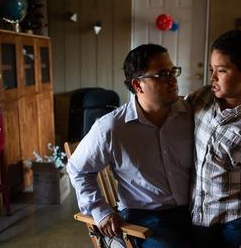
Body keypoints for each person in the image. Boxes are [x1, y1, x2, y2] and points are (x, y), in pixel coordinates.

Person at [67, 44, 193, 248]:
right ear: (137, 85)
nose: (172, 78)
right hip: (146, 218)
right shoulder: (111, 127)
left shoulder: (190, 114)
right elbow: (77, 169)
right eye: (162, 74)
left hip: (194, 212)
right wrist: (100, 209)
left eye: (173, 71)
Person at [187, 30, 241, 248]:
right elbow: (169, 116)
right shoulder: (201, 98)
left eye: (222, 71)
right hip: (199, 214)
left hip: (235, 219)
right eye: (211, 70)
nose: (213, 78)